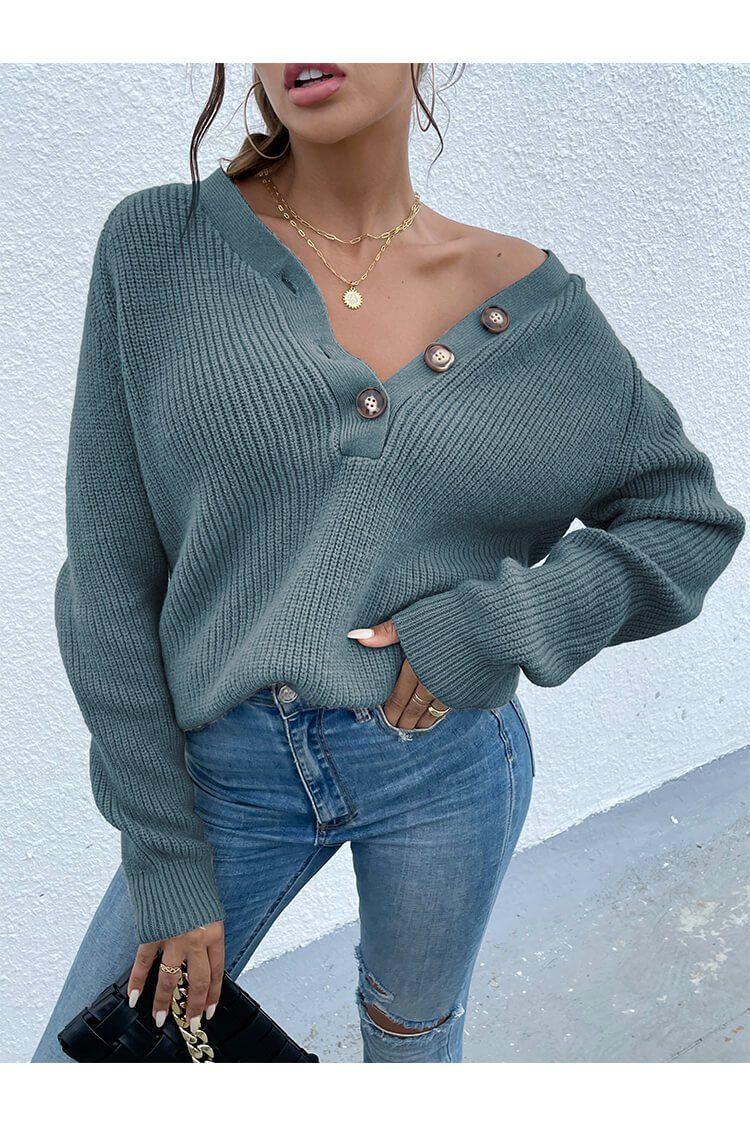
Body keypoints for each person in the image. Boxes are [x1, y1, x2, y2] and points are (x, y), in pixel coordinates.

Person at [32, 63, 744, 1063]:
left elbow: (687, 521)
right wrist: (165, 859)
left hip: (445, 763)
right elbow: (107, 579)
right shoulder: (160, 247)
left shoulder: (528, 304)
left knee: (412, 1040)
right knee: (84, 1066)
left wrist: (494, 625)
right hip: (223, 776)